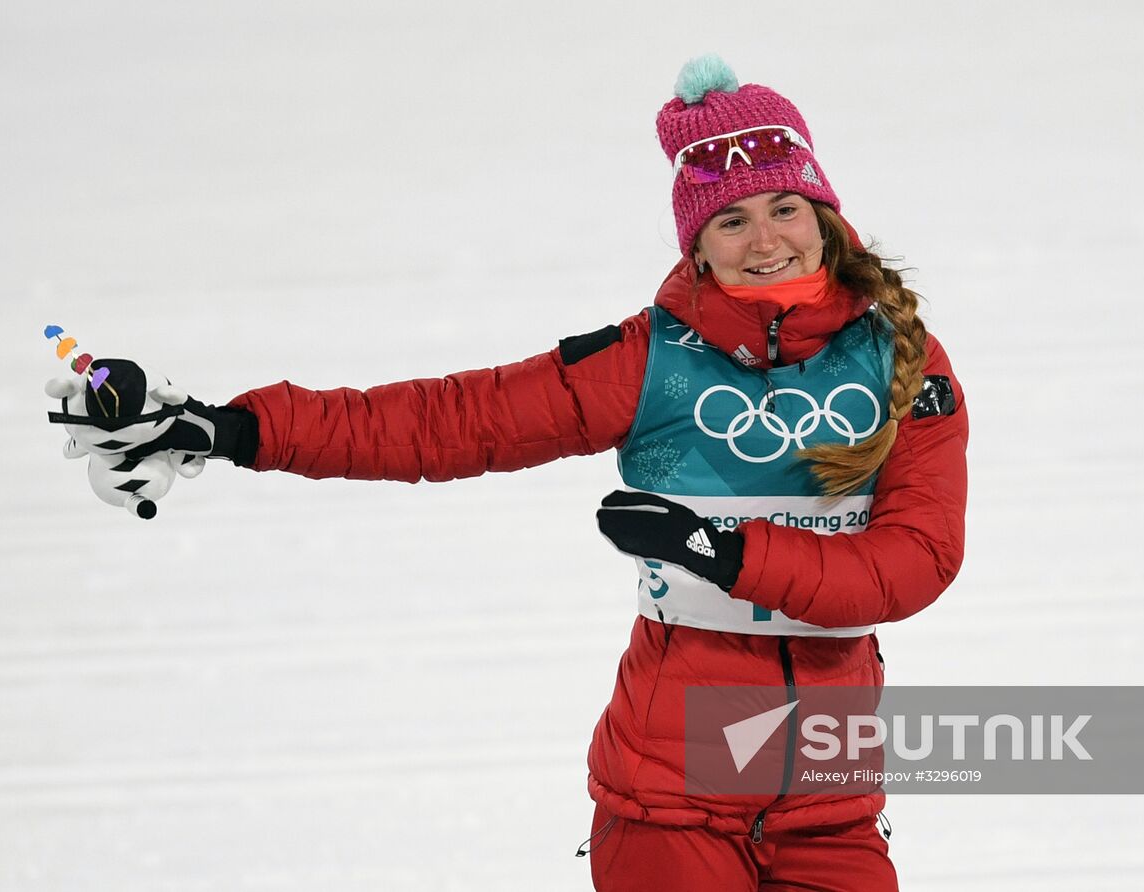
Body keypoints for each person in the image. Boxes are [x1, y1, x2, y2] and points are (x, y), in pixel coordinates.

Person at [104, 54, 968, 892]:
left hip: (830, 804)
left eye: (784, 207)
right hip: (668, 801)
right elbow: (452, 422)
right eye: (731, 220)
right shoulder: (650, 361)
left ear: (822, 212)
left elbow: (908, 567)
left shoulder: (904, 364)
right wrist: (240, 428)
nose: (766, 239)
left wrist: (724, 550)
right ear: (696, 244)